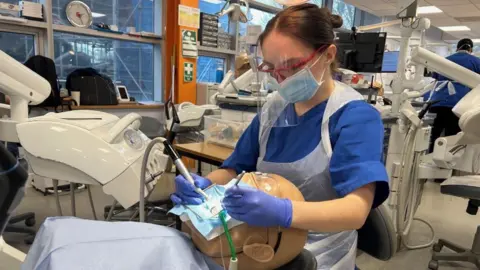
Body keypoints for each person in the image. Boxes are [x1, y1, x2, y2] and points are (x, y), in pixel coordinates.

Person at [172, 4, 389, 269]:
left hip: (320, 257)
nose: (280, 79)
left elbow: (355, 211)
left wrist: (283, 211)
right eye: (271, 68)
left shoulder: (354, 118)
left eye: (291, 67)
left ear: (328, 54)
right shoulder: (273, 109)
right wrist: (203, 186)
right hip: (260, 244)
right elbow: (234, 170)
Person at [427, 38, 480, 153]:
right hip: (457, 105)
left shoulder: (445, 60)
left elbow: (435, 77)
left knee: (434, 135)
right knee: (451, 137)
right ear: (470, 49)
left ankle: (429, 157)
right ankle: (446, 165)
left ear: (457, 48)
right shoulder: (475, 61)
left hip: (437, 102)